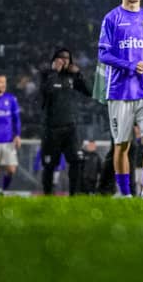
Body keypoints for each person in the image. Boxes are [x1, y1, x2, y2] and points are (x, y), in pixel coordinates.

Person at [96, 0, 143, 198]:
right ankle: (125, 195)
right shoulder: (111, 19)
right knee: (122, 145)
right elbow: (103, 55)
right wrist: (130, 64)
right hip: (120, 91)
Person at [39, 47, 91, 195]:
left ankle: (73, 196)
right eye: (61, 57)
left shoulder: (72, 77)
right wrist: (54, 71)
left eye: (67, 58)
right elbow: (45, 92)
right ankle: (48, 196)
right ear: (54, 59)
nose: (64, 60)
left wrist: (79, 74)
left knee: (76, 162)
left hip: (70, 128)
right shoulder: (46, 74)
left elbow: (89, 91)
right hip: (51, 128)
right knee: (49, 165)